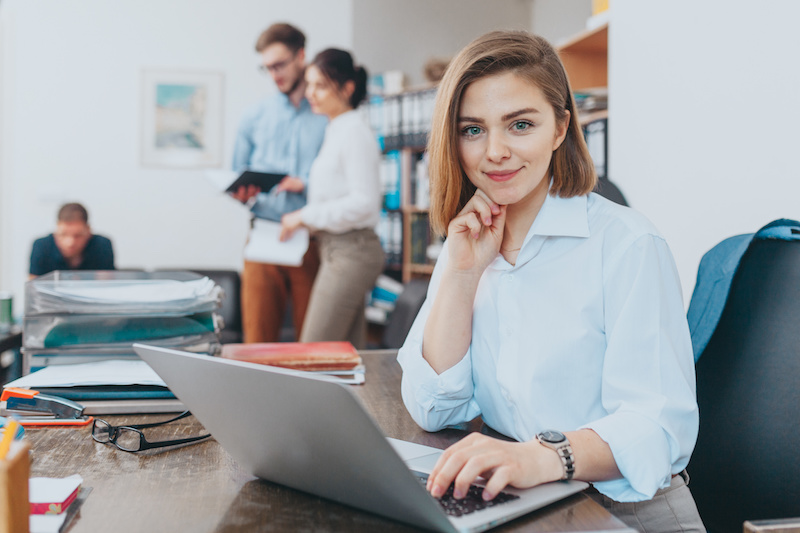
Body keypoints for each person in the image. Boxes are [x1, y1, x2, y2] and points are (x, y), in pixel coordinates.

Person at [396, 31, 705, 533]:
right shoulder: (470, 241)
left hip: (627, 511)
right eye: (472, 129)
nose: (495, 152)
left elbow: (658, 426)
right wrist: (462, 273)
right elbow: (434, 408)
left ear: (560, 127)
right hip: (530, 502)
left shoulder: (627, 244)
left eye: (520, 124)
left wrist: (540, 457)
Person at [279, 49, 384, 349]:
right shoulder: (337, 128)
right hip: (335, 249)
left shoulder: (354, 132)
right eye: (309, 84)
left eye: (320, 86)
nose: (310, 93)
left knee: (312, 352)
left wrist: (304, 216)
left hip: (352, 251)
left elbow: (364, 202)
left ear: (347, 88)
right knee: (346, 357)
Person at [231, 23, 328, 343]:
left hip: (311, 239)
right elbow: (237, 174)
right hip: (263, 235)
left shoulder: (327, 116)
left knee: (312, 341)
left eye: (280, 64)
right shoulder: (254, 117)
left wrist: (306, 184)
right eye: (267, 68)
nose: (274, 74)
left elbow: (340, 179)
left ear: (301, 56)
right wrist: (241, 192)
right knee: (257, 340)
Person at [29, 202, 115, 278]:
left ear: (88, 230)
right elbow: (33, 289)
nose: (70, 243)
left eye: (78, 236)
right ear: (57, 228)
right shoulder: (41, 246)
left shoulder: (102, 246)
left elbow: (106, 286)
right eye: (63, 234)